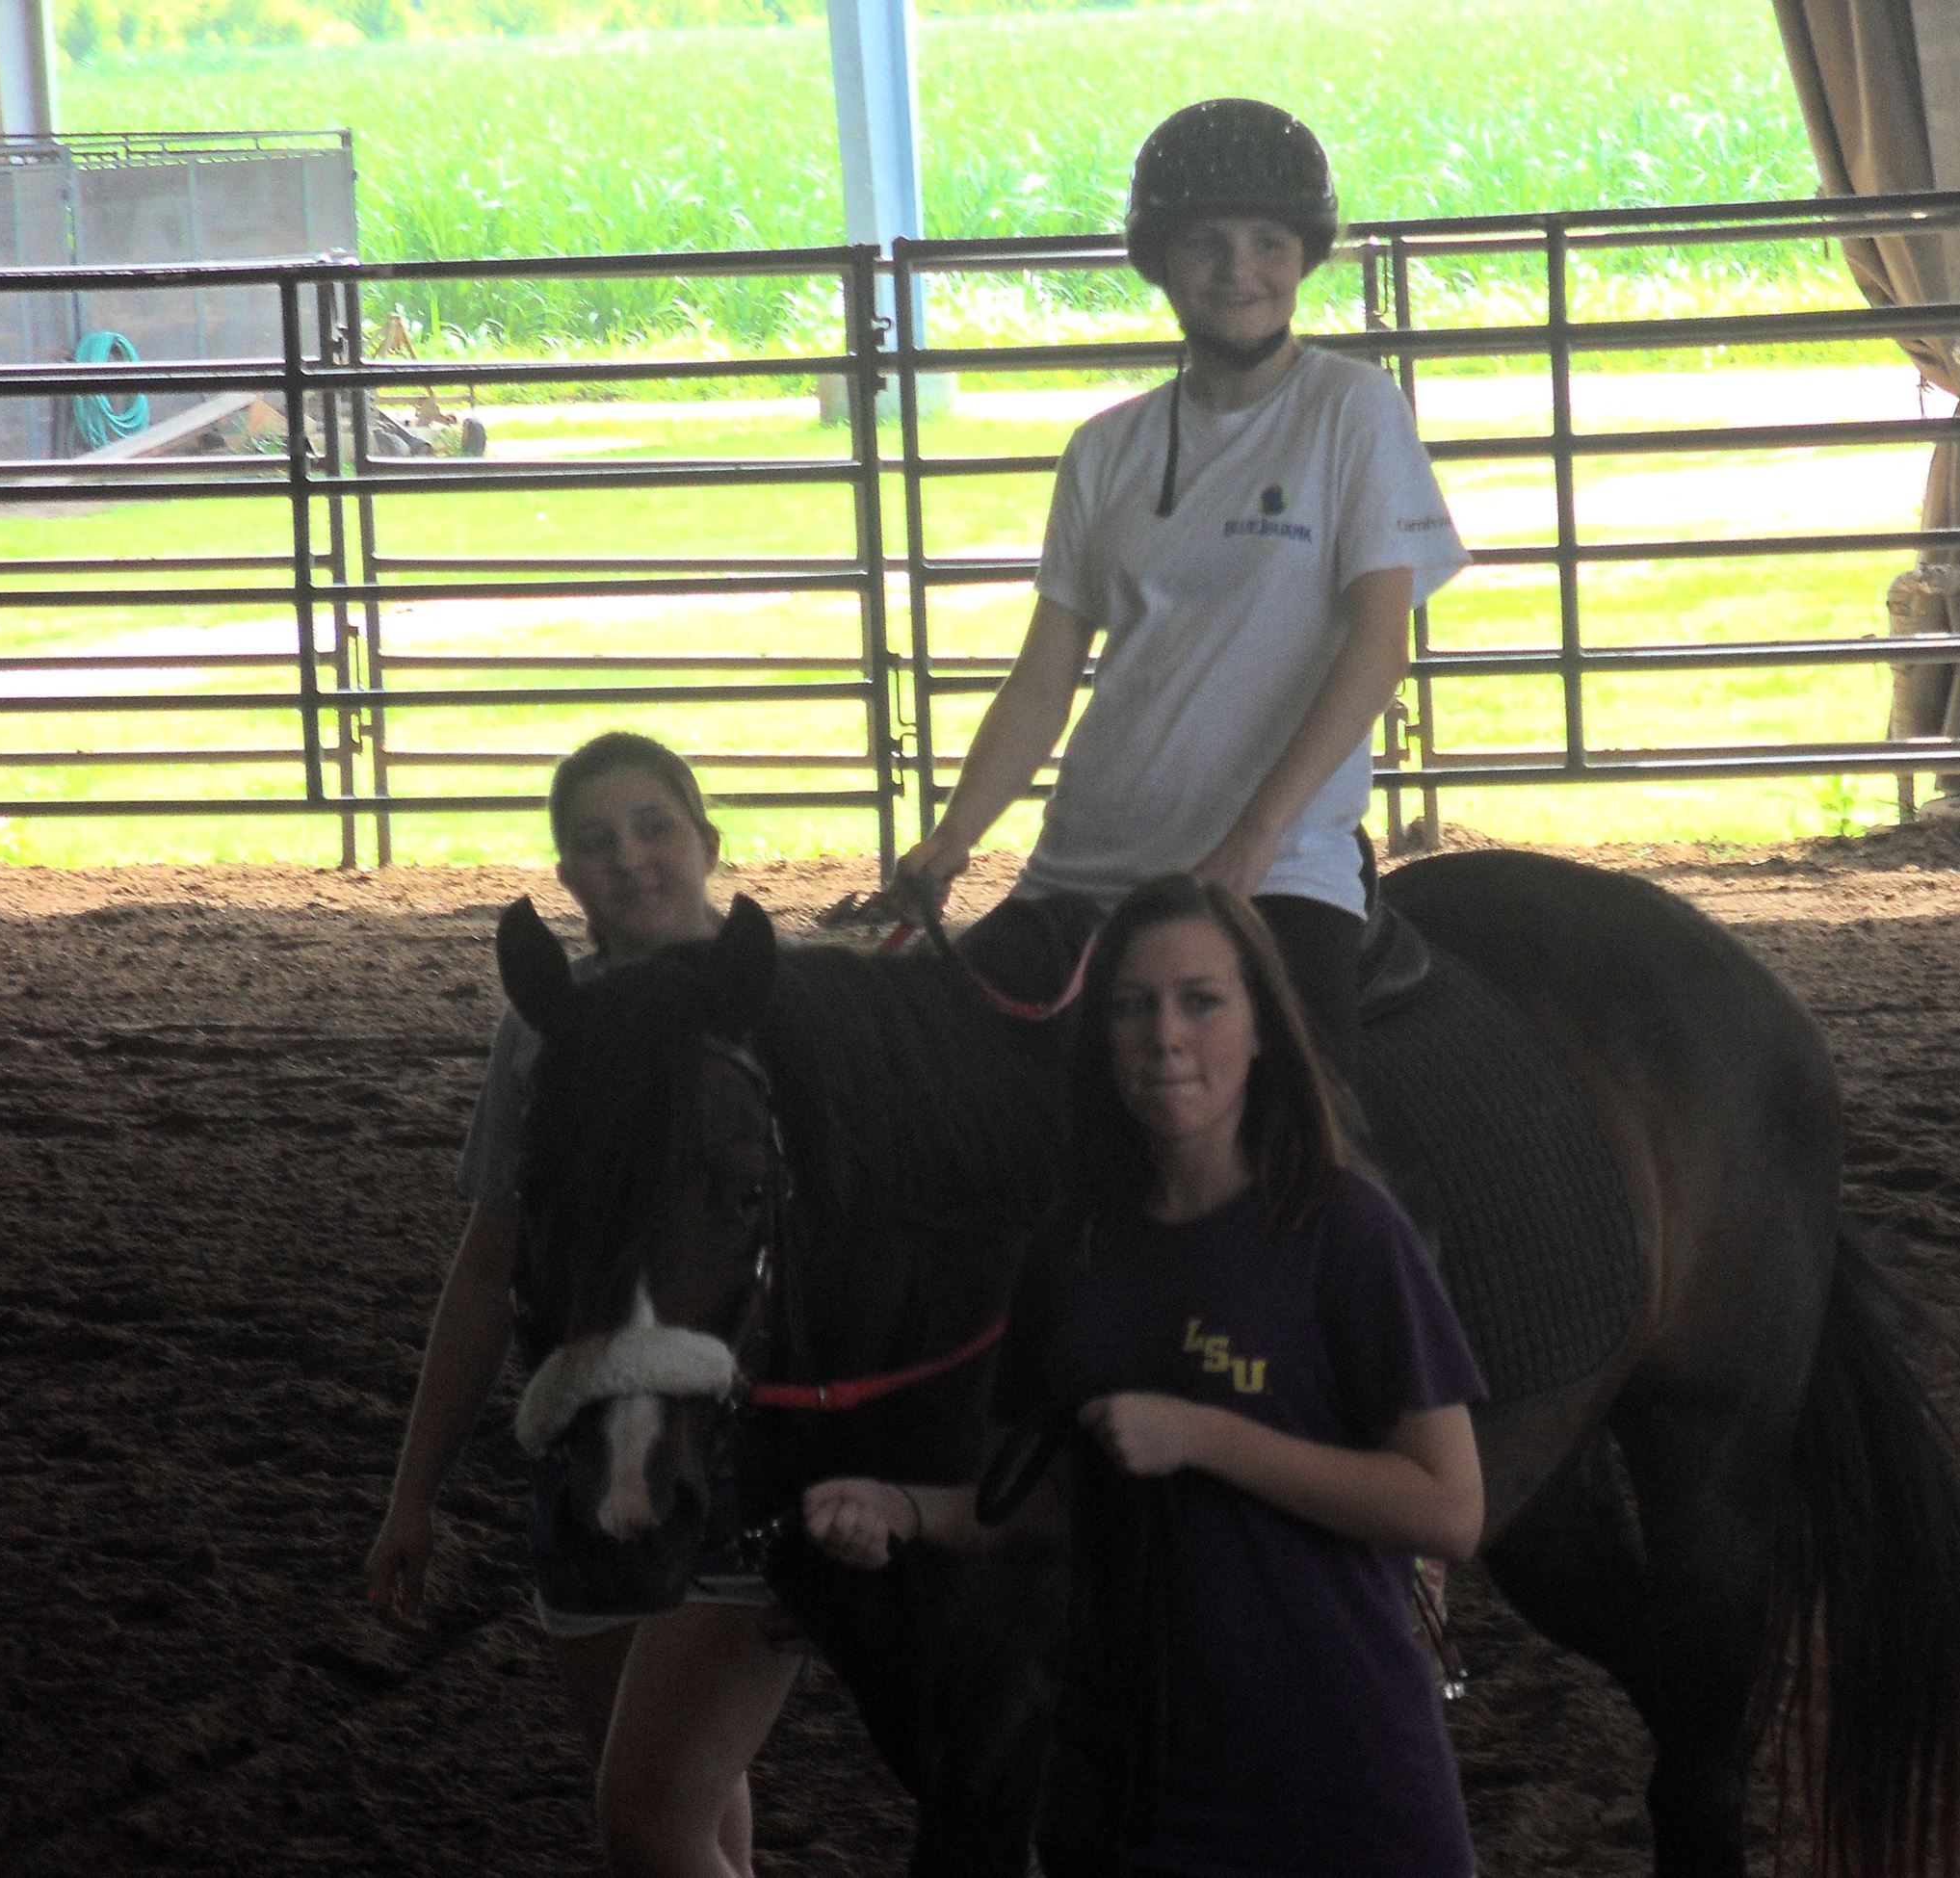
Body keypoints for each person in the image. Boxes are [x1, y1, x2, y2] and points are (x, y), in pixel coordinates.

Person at [802, 874, 1487, 1878]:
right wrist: (902, 1508)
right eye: (1131, 1007)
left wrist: (1206, 1437)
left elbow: (1448, 1509)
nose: (1164, 1036)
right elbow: (1056, 1506)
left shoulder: (1345, 1230)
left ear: (1261, 1028)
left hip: (1339, 1778)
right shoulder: (1067, 1252)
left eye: (1200, 1001)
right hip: (1126, 1786)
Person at [888, 98, 1469, 1077]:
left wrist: (1253, 841)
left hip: (1279, 874)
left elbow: (1379, 649)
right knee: (925, 1081)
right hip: (1079, 871)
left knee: (1306, 1132)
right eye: (1206, 243)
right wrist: (952, 838)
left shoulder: (1353, 411)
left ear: (1304, 255)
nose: (1239, 269)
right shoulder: (1102, 450)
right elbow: (1043, 679)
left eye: (1267, 242)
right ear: (1160, 260)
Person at [365, 731, 797, 1878]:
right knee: (685, 1806)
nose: (630, 859)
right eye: (596, 842)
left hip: (753, 1455)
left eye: (654, 828)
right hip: (580, 1445)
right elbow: (488, 1268)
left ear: (706, 840)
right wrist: (413, 1490)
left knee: (646, 1822)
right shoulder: (540, 1034)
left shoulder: (796, 1004)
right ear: (565, 876)